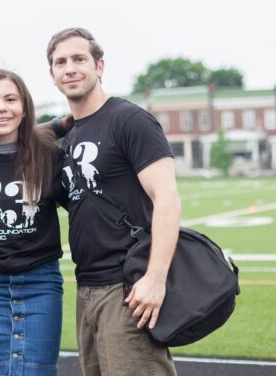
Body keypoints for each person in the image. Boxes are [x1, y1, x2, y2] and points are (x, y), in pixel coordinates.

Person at [47, 28, 181, 376]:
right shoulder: (71, 136)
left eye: (79, 59)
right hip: (87, 288)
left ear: (100, 66)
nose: (70, 68)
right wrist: (57, 126)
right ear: (52, 75)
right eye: (60, 62)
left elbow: (167, 198)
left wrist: (155, 278)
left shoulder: (129, 119)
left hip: (127, 286)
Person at [0, 69, 67, 376]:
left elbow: (87, 211)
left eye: (10, 99)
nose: (1, 108)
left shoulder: (50, 157)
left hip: (40, 283)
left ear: (25, 106)